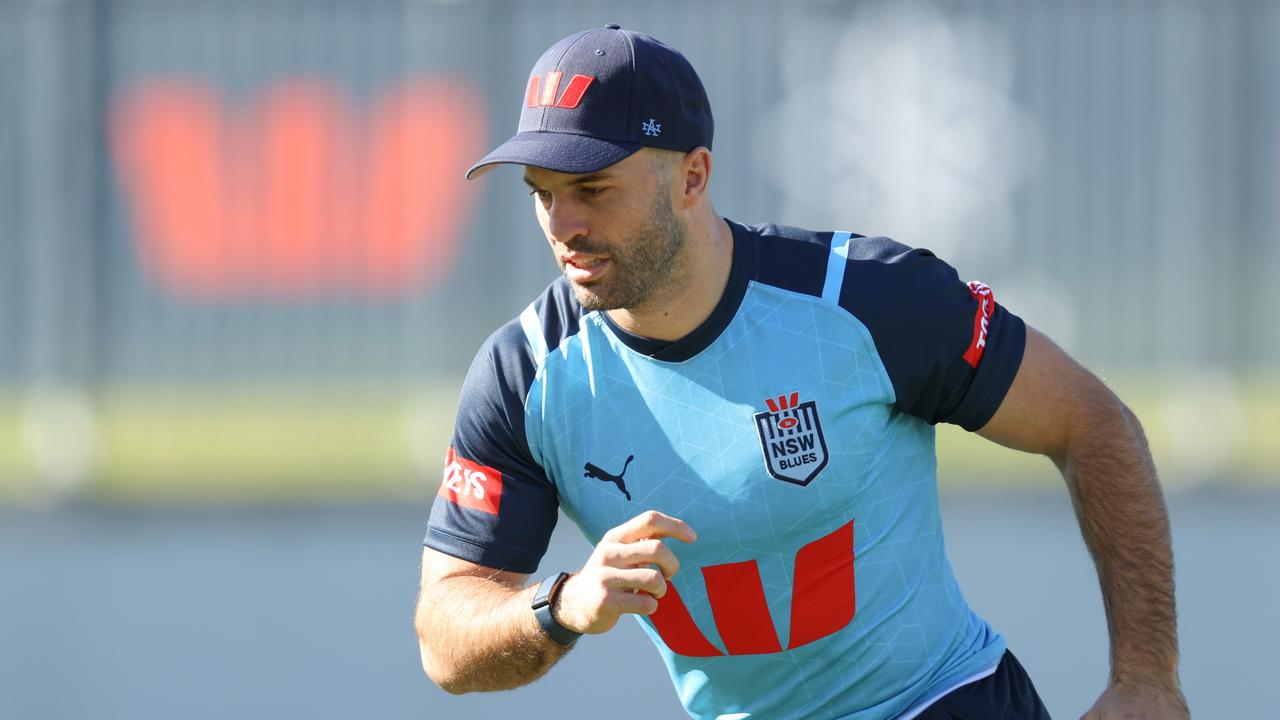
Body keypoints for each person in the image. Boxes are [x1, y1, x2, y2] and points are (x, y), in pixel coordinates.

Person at [413, 25, 1188, 720]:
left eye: (593, 189)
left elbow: (1091, 423)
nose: (564, 225)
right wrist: (561, 604)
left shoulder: (870, 298)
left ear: (692, 176)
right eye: (542, 195)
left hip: (942, 701)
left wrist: (1148, 676)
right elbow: (444, 637)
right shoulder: (525, 376)